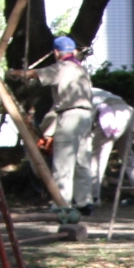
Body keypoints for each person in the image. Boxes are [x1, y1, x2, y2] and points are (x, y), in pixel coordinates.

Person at [37, 36, 97, 211]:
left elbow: (37, 74)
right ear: (74, 51)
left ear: (56, 52)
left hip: (69, 115)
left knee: (63, 161)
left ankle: (61, 203)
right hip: (86, 115)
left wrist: (18, 74)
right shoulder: (81, 68)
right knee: (82, 160)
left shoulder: (62, 67)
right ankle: (85, 202)